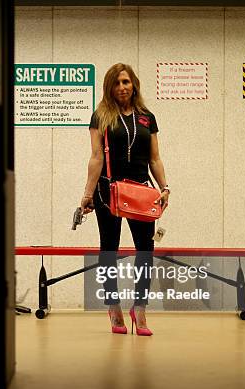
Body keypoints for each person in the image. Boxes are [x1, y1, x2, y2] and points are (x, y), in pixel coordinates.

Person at [80, 63, 169, 336]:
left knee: (145, 251)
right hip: (108, 191)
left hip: (142, 191)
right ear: (110, 87)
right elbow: (96, 157)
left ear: (134, 85)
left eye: (126, 82)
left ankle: (139, 308)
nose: (122, 87)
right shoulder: (101, 116)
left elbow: (154, 157)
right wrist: (87, 194)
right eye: (117, 83)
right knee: (109, 249)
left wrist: (165, 187)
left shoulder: (147, 117)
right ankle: (113, 306)